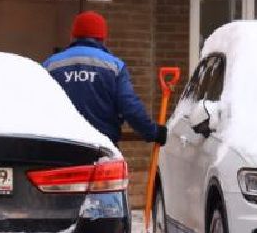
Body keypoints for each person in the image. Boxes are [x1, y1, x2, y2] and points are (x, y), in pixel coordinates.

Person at [43, 11, 167, 147]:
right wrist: (153, 132)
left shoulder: (51, 65)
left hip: (61, 148)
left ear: (73, 35)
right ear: (102, 37)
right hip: (102, 149)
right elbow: (130, 107)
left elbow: (38, 104)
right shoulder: (114, 66)